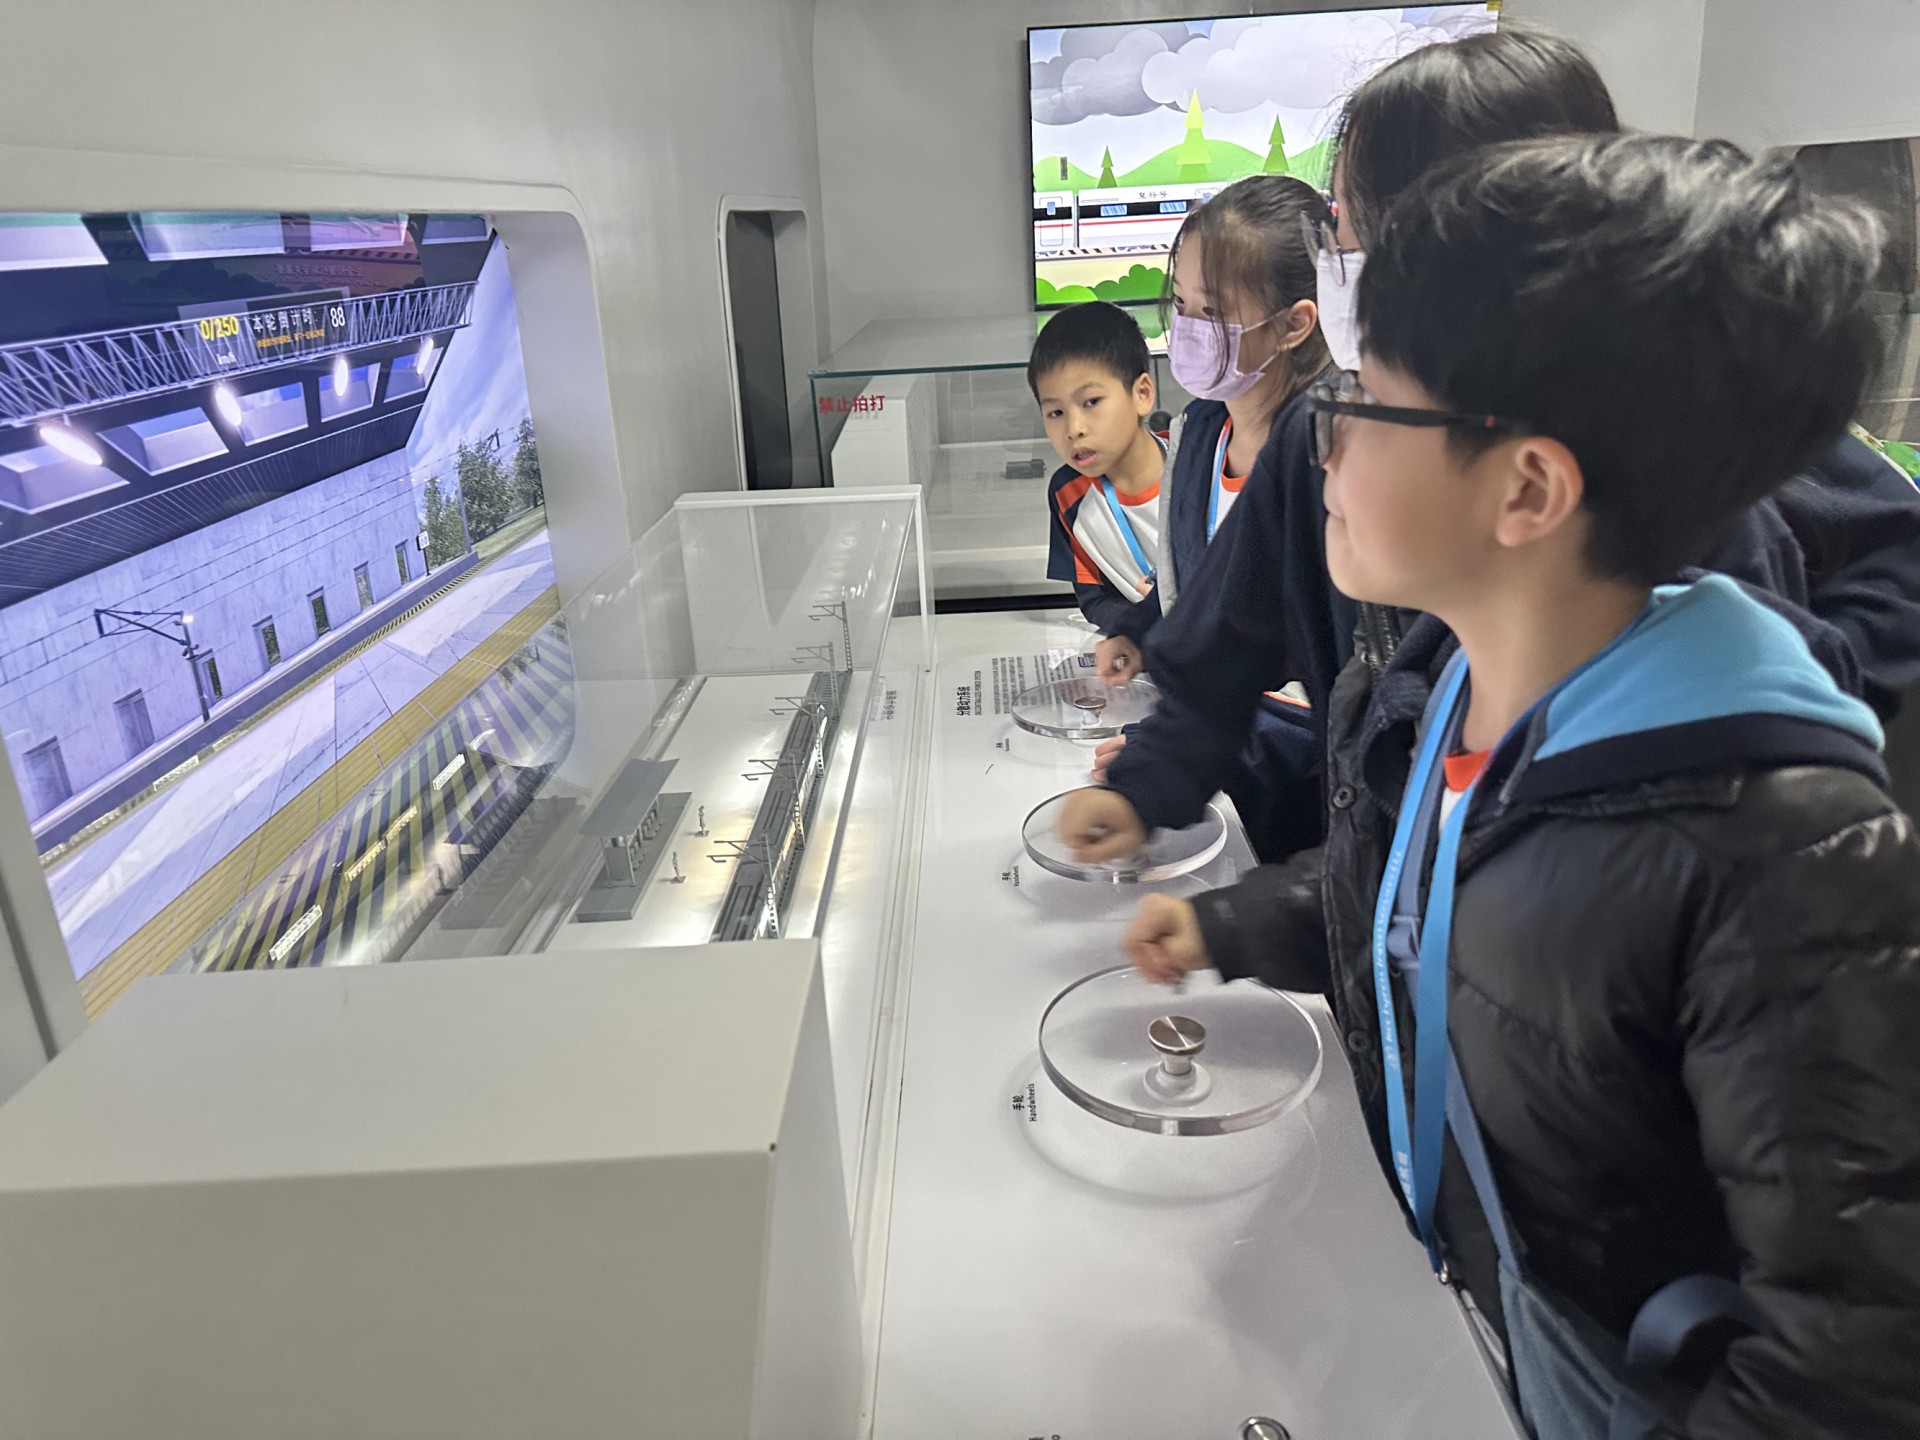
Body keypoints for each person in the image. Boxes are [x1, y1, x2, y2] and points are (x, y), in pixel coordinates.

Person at [1129, 133, 1920, 1438]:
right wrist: (1232, 924)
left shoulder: (1787, 860)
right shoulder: (1463, 685)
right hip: (1489, 1309)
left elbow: (1853, 1363)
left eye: (1370, 401)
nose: (1323, 442)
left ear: (1530, 487)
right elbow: (1451, 893)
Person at [1063, 22, 1920, 868]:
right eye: (1341, 230)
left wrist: (1793, 703)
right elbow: (1233, 654)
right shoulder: (1326, 432)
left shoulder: (1675, 463)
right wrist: (1153, 790)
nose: (1343, 260)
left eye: (1361, 232)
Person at [1032, 302, 1163, 642]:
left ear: (1142, 394)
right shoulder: (1067, 492)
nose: (1074, 429)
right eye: (1056, 412)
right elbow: (1094, 601)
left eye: (1091, 402)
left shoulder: (1198, 460)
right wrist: (1142, 624)